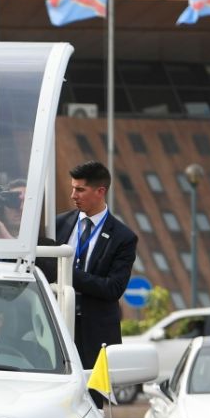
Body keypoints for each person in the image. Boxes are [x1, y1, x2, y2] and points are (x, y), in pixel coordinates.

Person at [52, 161, 138, 400]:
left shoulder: (123, 237)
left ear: (100, 191)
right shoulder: (58, 225)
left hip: (96, 336)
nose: (72, 195)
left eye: (80, 190)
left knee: (93, 404)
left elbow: (113, 288)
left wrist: (65, 270)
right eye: (72, 188)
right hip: (55, 330)